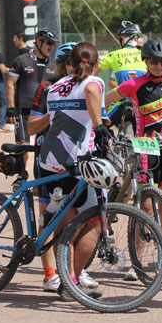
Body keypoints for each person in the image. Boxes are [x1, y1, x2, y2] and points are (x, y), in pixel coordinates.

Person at [104, 38, 162, 279]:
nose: (158, 65)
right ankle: (136, 261)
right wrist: (102, 123)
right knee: (146, 206)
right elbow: (105, 100)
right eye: (154, 61)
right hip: (145, 148)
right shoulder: (133, 84)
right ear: (146, 61)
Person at [38, 41, 110, 301]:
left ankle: (66, 279)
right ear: (96, 64)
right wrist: (100, 126)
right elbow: (91, 91)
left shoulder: (55, 86)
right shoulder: (94, 82)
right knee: (92, 221)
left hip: (51, 161)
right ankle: (72, 280)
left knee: (67, 224)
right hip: (76, 164)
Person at [6, 28, 57, 163]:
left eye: (53, 44)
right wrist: (10, 108)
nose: (51, 47)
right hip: (24, 111)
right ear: (38, 42)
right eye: (48, 43)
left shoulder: (55, 64)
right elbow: (10, 84)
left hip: (45, 112)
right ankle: (21, 176)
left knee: (44, 147)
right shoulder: (21, 61)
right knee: (22, 148)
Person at [94, 21, 145, 130]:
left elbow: (93, 71)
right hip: (141, 105)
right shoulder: (144, 55)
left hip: (122, 102)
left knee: (100, 128)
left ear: (124, 38)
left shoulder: (114, 55)